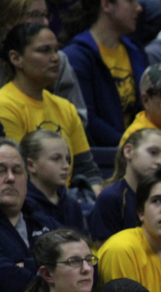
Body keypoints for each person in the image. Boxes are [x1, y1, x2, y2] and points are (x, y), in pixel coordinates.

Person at [0, 23, 103, 194]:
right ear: (16, 58)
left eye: (56, 50)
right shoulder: (5, 105)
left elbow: (87, 169)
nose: (56, 58)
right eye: (44, 50)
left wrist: (95, 197)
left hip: (67, 202)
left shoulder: (65, 107)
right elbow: (16, 172)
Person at [63, 0, 148, 147]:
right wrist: (130, 146)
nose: (138, 8)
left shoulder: (135, 51)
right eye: (130, 0)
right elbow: (87, 119)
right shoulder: (77, 56)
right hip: (101, 156)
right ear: (107, 5)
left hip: (137, 149)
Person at [0, 0, 88, 125]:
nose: (45, 23)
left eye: (46, 15)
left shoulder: (59, 60)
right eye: (35, 15)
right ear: (9, 20)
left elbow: (78, 118)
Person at [0, 139, 57, 292]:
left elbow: (88, 267)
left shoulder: (42, 219)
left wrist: (25, 266)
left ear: (26, 179)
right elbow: (9, 285)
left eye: (17, 171)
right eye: (1, 170)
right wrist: (56, 269)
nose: (10, 178)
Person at [89, 128, 161, 244]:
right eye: (153, 152)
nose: (160, 162)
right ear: (129, 151)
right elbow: (105, 252)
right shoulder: (110, 197)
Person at [21, 130, 85, 232]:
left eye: (67, 159)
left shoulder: (72, 206)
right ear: (31, 165)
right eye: (56, 159)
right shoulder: (21, 206)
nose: (66, 166)